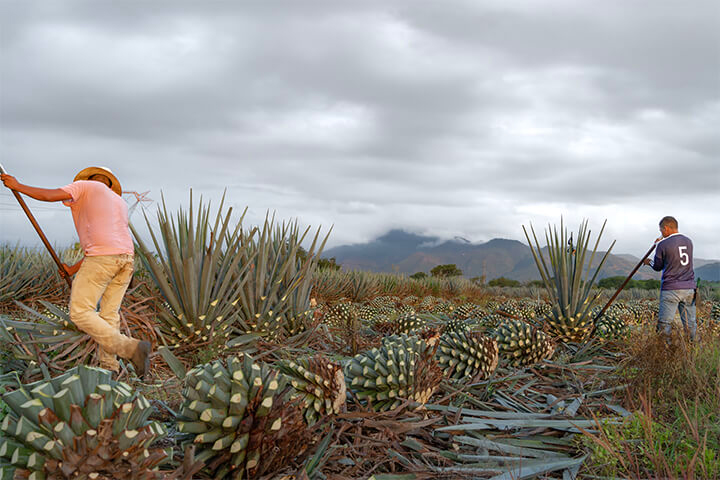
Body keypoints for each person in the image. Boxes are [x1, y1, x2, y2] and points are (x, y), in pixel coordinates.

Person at [1, 167, 152, 377]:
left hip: (102, 259)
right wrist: (71, 269)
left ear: (91, 178)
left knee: (80, 313)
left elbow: (49, 195)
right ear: (110, 183)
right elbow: (107, 245)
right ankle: (110, 368)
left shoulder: (86, 186)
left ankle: (131, 349)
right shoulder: (119, 203)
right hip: (126, 261)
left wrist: (18, 186)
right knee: (109, 315)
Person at [642, 216, 697, 340]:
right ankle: (694, 351)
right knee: (691, 324)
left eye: (661, 230)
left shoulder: (663, 244)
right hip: (689, 288)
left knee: (665, 325)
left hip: (671, 289)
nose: (661, 233)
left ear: (666, 228)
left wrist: (649, 261)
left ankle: (665, 353)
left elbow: (657, 266)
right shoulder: (688, 241)